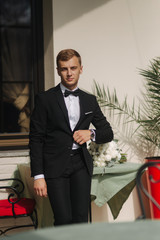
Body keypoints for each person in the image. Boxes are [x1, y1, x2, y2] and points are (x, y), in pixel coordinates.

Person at [29, 49, 113, 226]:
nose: (69, 73)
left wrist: (90, 133)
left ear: (81, 69)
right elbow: (36, 139)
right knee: (63, 219)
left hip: (81, 165)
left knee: (81, 219)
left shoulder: (90, 100)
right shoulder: (45, 99)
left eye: (73, 68)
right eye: (64, 68)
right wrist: (38, 175)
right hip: (54, 166)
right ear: (58, 70)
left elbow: (107, 132)